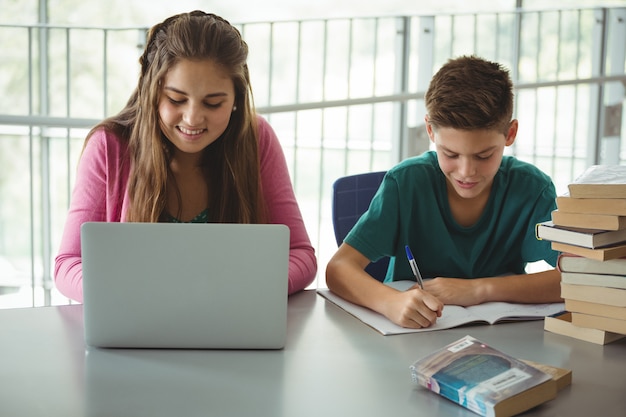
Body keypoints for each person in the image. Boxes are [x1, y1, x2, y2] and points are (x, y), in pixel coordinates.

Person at [54, 11, 317, 302]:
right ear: (151, 92)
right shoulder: (109, 146)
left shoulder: (256, 138)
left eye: (213, 103)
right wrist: (118, 290)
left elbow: (301, 255)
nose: (192, 118)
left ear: (235, 102)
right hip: (138, 327)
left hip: (230, 324)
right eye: (176, 100)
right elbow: (68, 263)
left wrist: (247, 287)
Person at [326, 55, 562, 329]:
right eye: (450, 154)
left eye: (484, 155)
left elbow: (584, 276)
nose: (466, 171)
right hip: (411, 338)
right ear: (431, 131)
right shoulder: (406, 183)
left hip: (502, 339)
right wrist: (390, 302)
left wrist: (479, 290)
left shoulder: (532, 189)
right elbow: (338, 269)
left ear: (510, 133)